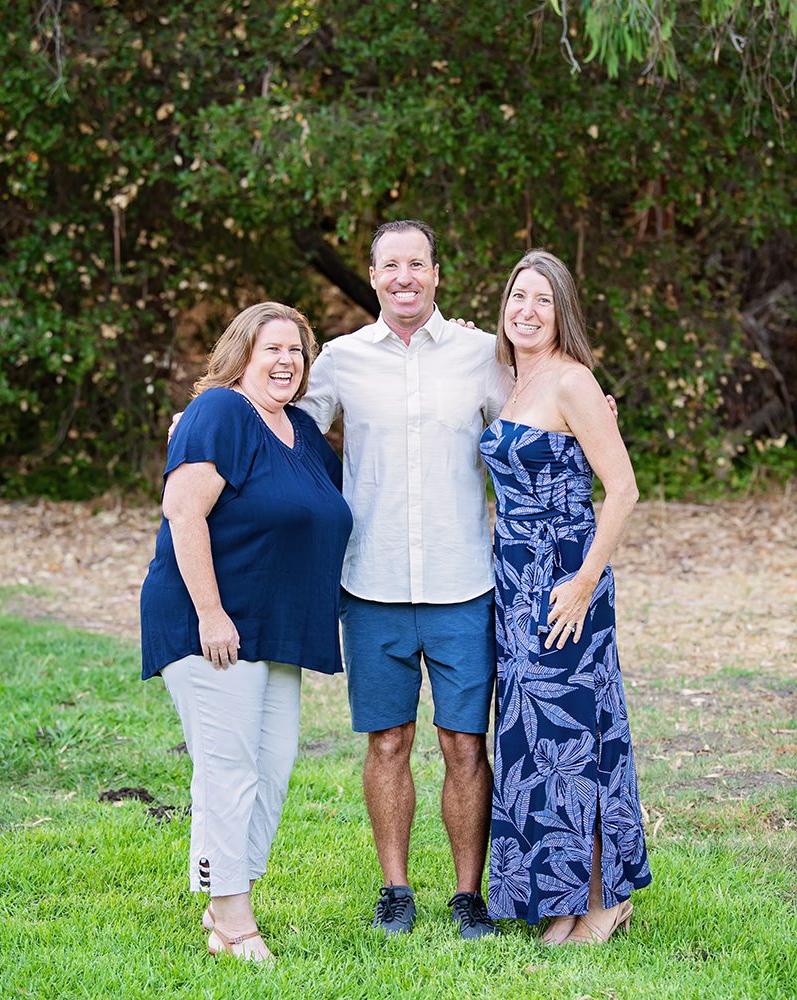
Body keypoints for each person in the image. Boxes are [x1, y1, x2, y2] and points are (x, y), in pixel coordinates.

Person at [298, 220, 515, 938]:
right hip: (372, 585)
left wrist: (593, 412)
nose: (403, 277)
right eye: (390, 265)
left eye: (415, 263)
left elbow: (535, 419)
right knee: (387, 742)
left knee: (464, 746)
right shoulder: (340, 359)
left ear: (436, 272)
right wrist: (207, 418)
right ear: (372, 274)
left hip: (464, 586)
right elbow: (283, 426)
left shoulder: (482, 355)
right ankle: (396, 891)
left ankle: (467, 895)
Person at [140, 302, 352, 963]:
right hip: (210, 624)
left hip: (277, 629)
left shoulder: (304, 436)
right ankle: (233, 924)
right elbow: (183, 511)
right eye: (273, 349)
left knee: (273, 769)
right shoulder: (220, 412)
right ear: (242, 356)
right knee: (229, 770)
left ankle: (222, 891)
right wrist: (211, 613)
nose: (287, 360)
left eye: (297, 351)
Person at [479, 250, 651, 946]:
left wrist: (582, 583)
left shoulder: (574, 381)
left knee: (578, 736)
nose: (526, 310)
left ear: (563, 312)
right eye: (518, 296)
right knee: (533, 734)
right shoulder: (515, 380)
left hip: (564, 579)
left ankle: (602, 902)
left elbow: (624, 488)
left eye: (543, 301)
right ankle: (561, 901)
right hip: (515, 581)